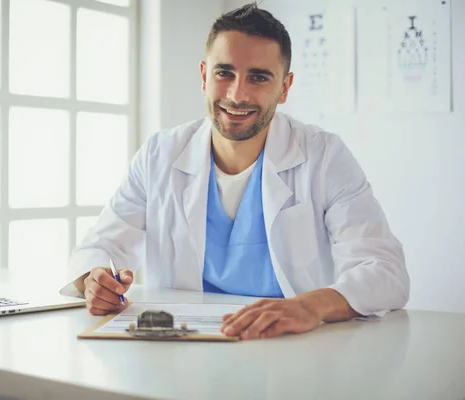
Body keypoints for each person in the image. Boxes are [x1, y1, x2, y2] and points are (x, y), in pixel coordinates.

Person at [60, 3, 409, 340]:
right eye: (224, 73)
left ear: (284, 88)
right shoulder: (159, 155)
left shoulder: (324, 156)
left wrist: (311, 305)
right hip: (184, 348)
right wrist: (95, 280)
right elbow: (100, 246)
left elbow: (385, 271)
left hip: (290, 346)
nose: (236, 95)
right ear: (203, 76)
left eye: (258, 77)